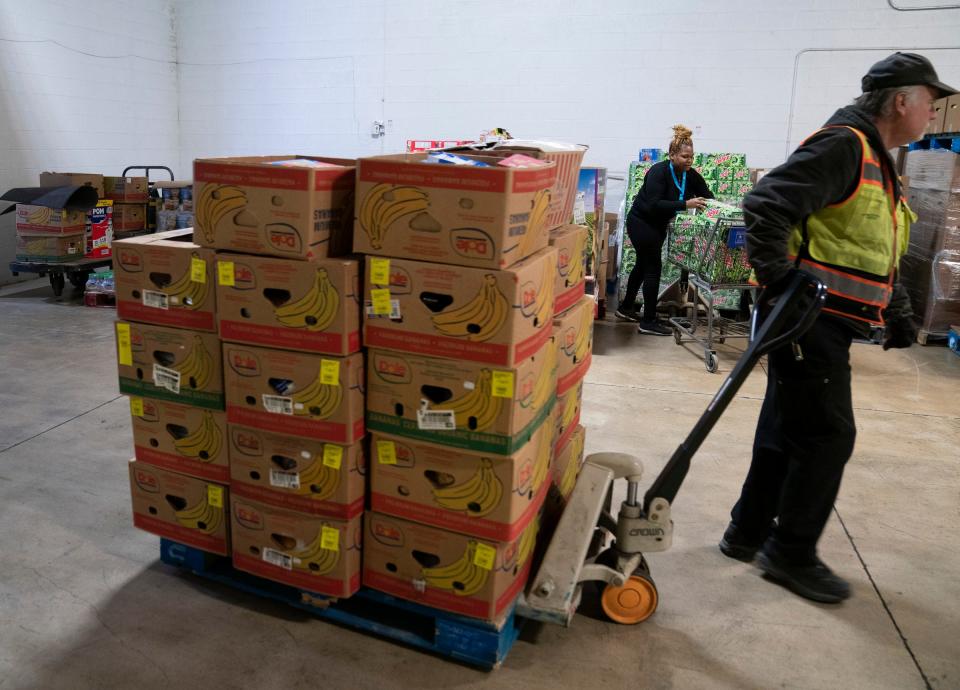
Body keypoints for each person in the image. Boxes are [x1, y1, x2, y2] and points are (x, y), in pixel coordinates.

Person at [719, 53, 957, 603]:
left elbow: (876, 243)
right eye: (930, 100)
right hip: (810, 318)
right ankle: (792, 553)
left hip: (828, 318)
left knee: (785, 429)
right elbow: (766, 205)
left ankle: (747, 533)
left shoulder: (878, 156)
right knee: (828, 435)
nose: (932, 112)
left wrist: (894, 308)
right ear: (901, 101)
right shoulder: (844, 144)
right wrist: (783, 282)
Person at [616, 125, 713, 334]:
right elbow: (654, 204)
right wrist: (686, 204)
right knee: (652, 268)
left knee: (642, 265)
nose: (689, 160)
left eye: (691, 156)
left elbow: (708, 196)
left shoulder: (691, 175)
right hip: (642, 222)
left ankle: (626, 308)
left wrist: (717, 208)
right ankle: (648, 321)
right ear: (672, 155)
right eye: (685, 156)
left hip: (658, 226)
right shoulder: (658, 172)